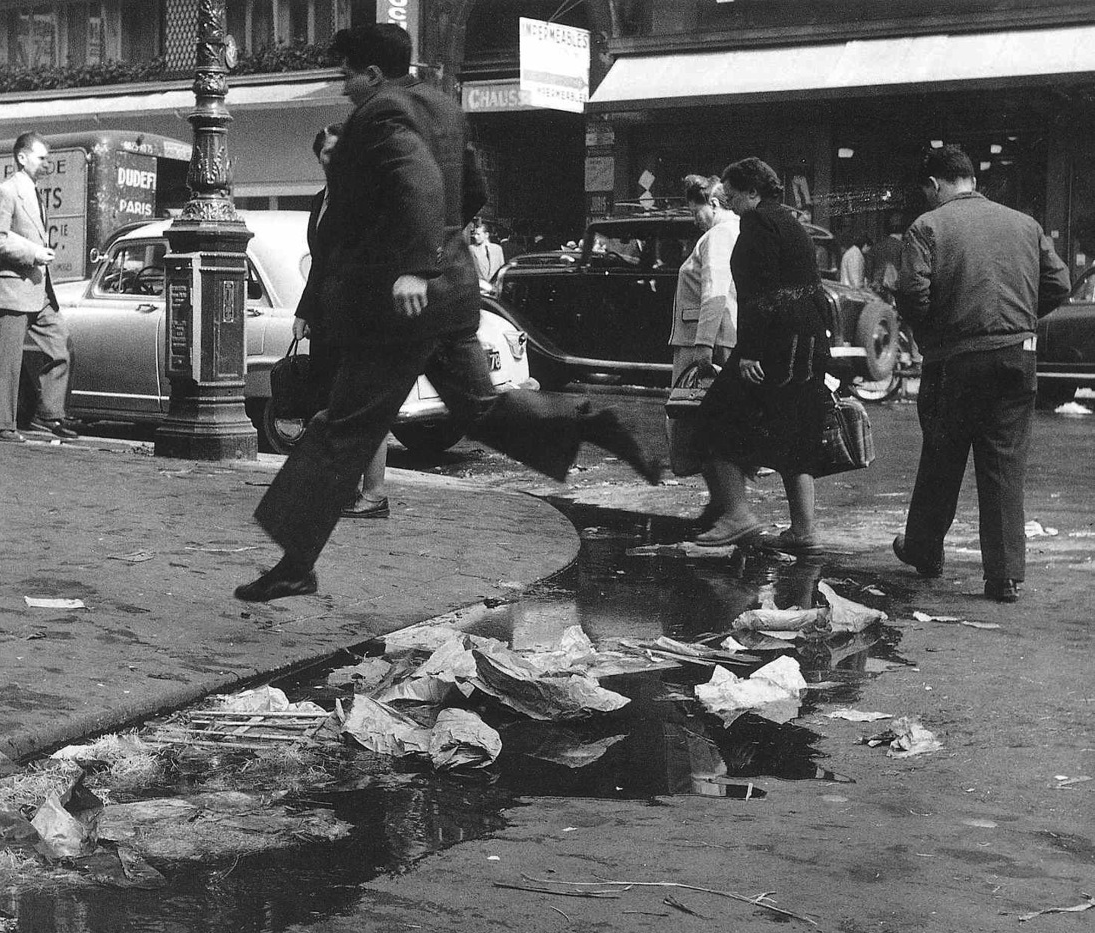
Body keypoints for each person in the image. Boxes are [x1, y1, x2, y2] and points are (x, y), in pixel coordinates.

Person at [236, 23, 659, 603]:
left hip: (400, 306)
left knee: (343, 427)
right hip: (451, 295)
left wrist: (413, 265)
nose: (343, 88)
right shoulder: (440, 106)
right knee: (481, 410)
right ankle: (594, 423)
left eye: (347, 76)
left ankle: (294, 564)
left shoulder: (381, 115)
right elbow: (473, 187)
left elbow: (416, 181)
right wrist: (442, 250)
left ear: (373, 73)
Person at [892, 146, 1070, 603]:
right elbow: (1060, 284)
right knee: (1004, 464)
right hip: (1017, 357)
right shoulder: (1025, 224)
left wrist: (934, 338)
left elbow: (912, 294)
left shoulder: (927, 227)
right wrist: (1019, 322)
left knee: (941, 457)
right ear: (970, 178)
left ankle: (925, 552)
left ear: (934, 185)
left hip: (956, 360)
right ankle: (1004, 575)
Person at [692, 157, 833, 554]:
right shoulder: (790, 222)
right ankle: (805, 529)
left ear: (753, 192)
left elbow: (761, 291)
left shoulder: (757, 223)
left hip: (773, 345)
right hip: (805, 343)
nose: (731, 203)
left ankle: (737, 515)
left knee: (714, 417)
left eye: (734, 195)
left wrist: (750, 351)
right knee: (795, 429)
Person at [294, 123, 390, 518]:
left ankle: (375, 492)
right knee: (334, 402)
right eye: (327, 153)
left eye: (340, 152)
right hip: (329, 316)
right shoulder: (320, 200)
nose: (333, 160)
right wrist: (304, 310)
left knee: (364, 403)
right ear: (319, 158)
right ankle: (342, 487)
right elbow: (319, 262)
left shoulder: (363, 198)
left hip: (361, 314)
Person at [0, 131, 77, 442]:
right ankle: (1, 425)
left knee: (61, 345)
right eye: (41, 158)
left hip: (39, 290)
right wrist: (33, 253)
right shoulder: (6, 192)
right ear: (21, 158)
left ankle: (48, 415)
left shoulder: (33, 191)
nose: (46, 164)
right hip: (14, 288)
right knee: (6, 362)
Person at [666, 174, 739, 529]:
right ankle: (721, 504)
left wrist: (703, 345)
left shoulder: (719, 235)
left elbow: (715, 290)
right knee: (707, 423)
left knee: (698, 423)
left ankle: (730, 510)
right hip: (715, 336)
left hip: (706, 339)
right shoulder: (731, 231)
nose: (693, 217)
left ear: (712, 203)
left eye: (695, 209)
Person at [469, 217, 504, 285]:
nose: (475, 237)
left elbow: (502, 269)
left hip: (495, 287)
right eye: (474, 234)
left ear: (486, 235)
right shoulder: (472, 249)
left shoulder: (497, 249)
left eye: (478, 234)